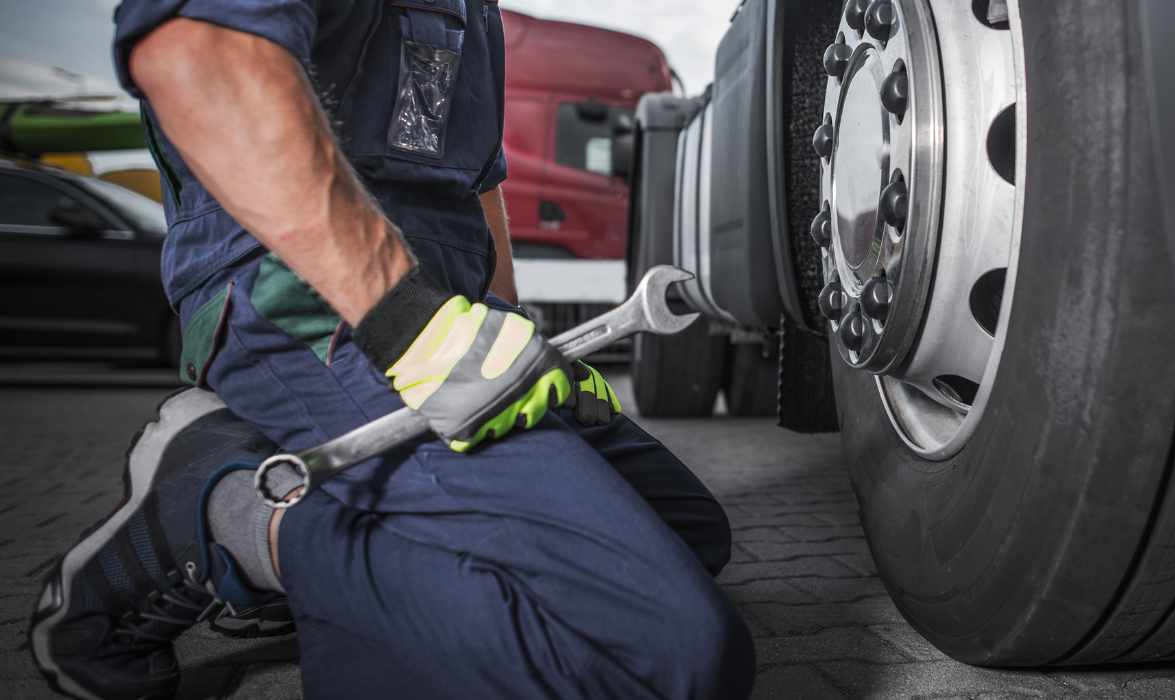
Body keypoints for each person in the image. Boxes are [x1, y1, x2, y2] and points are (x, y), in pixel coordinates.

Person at [28, 1, 755, 698]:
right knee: (671, 657)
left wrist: (516, 338)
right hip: (306, 295)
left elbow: (475, 186)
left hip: (439, 302)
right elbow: (195, 51)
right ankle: (231, 515)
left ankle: (330, 511)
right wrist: (407, 323)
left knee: (688, 530)